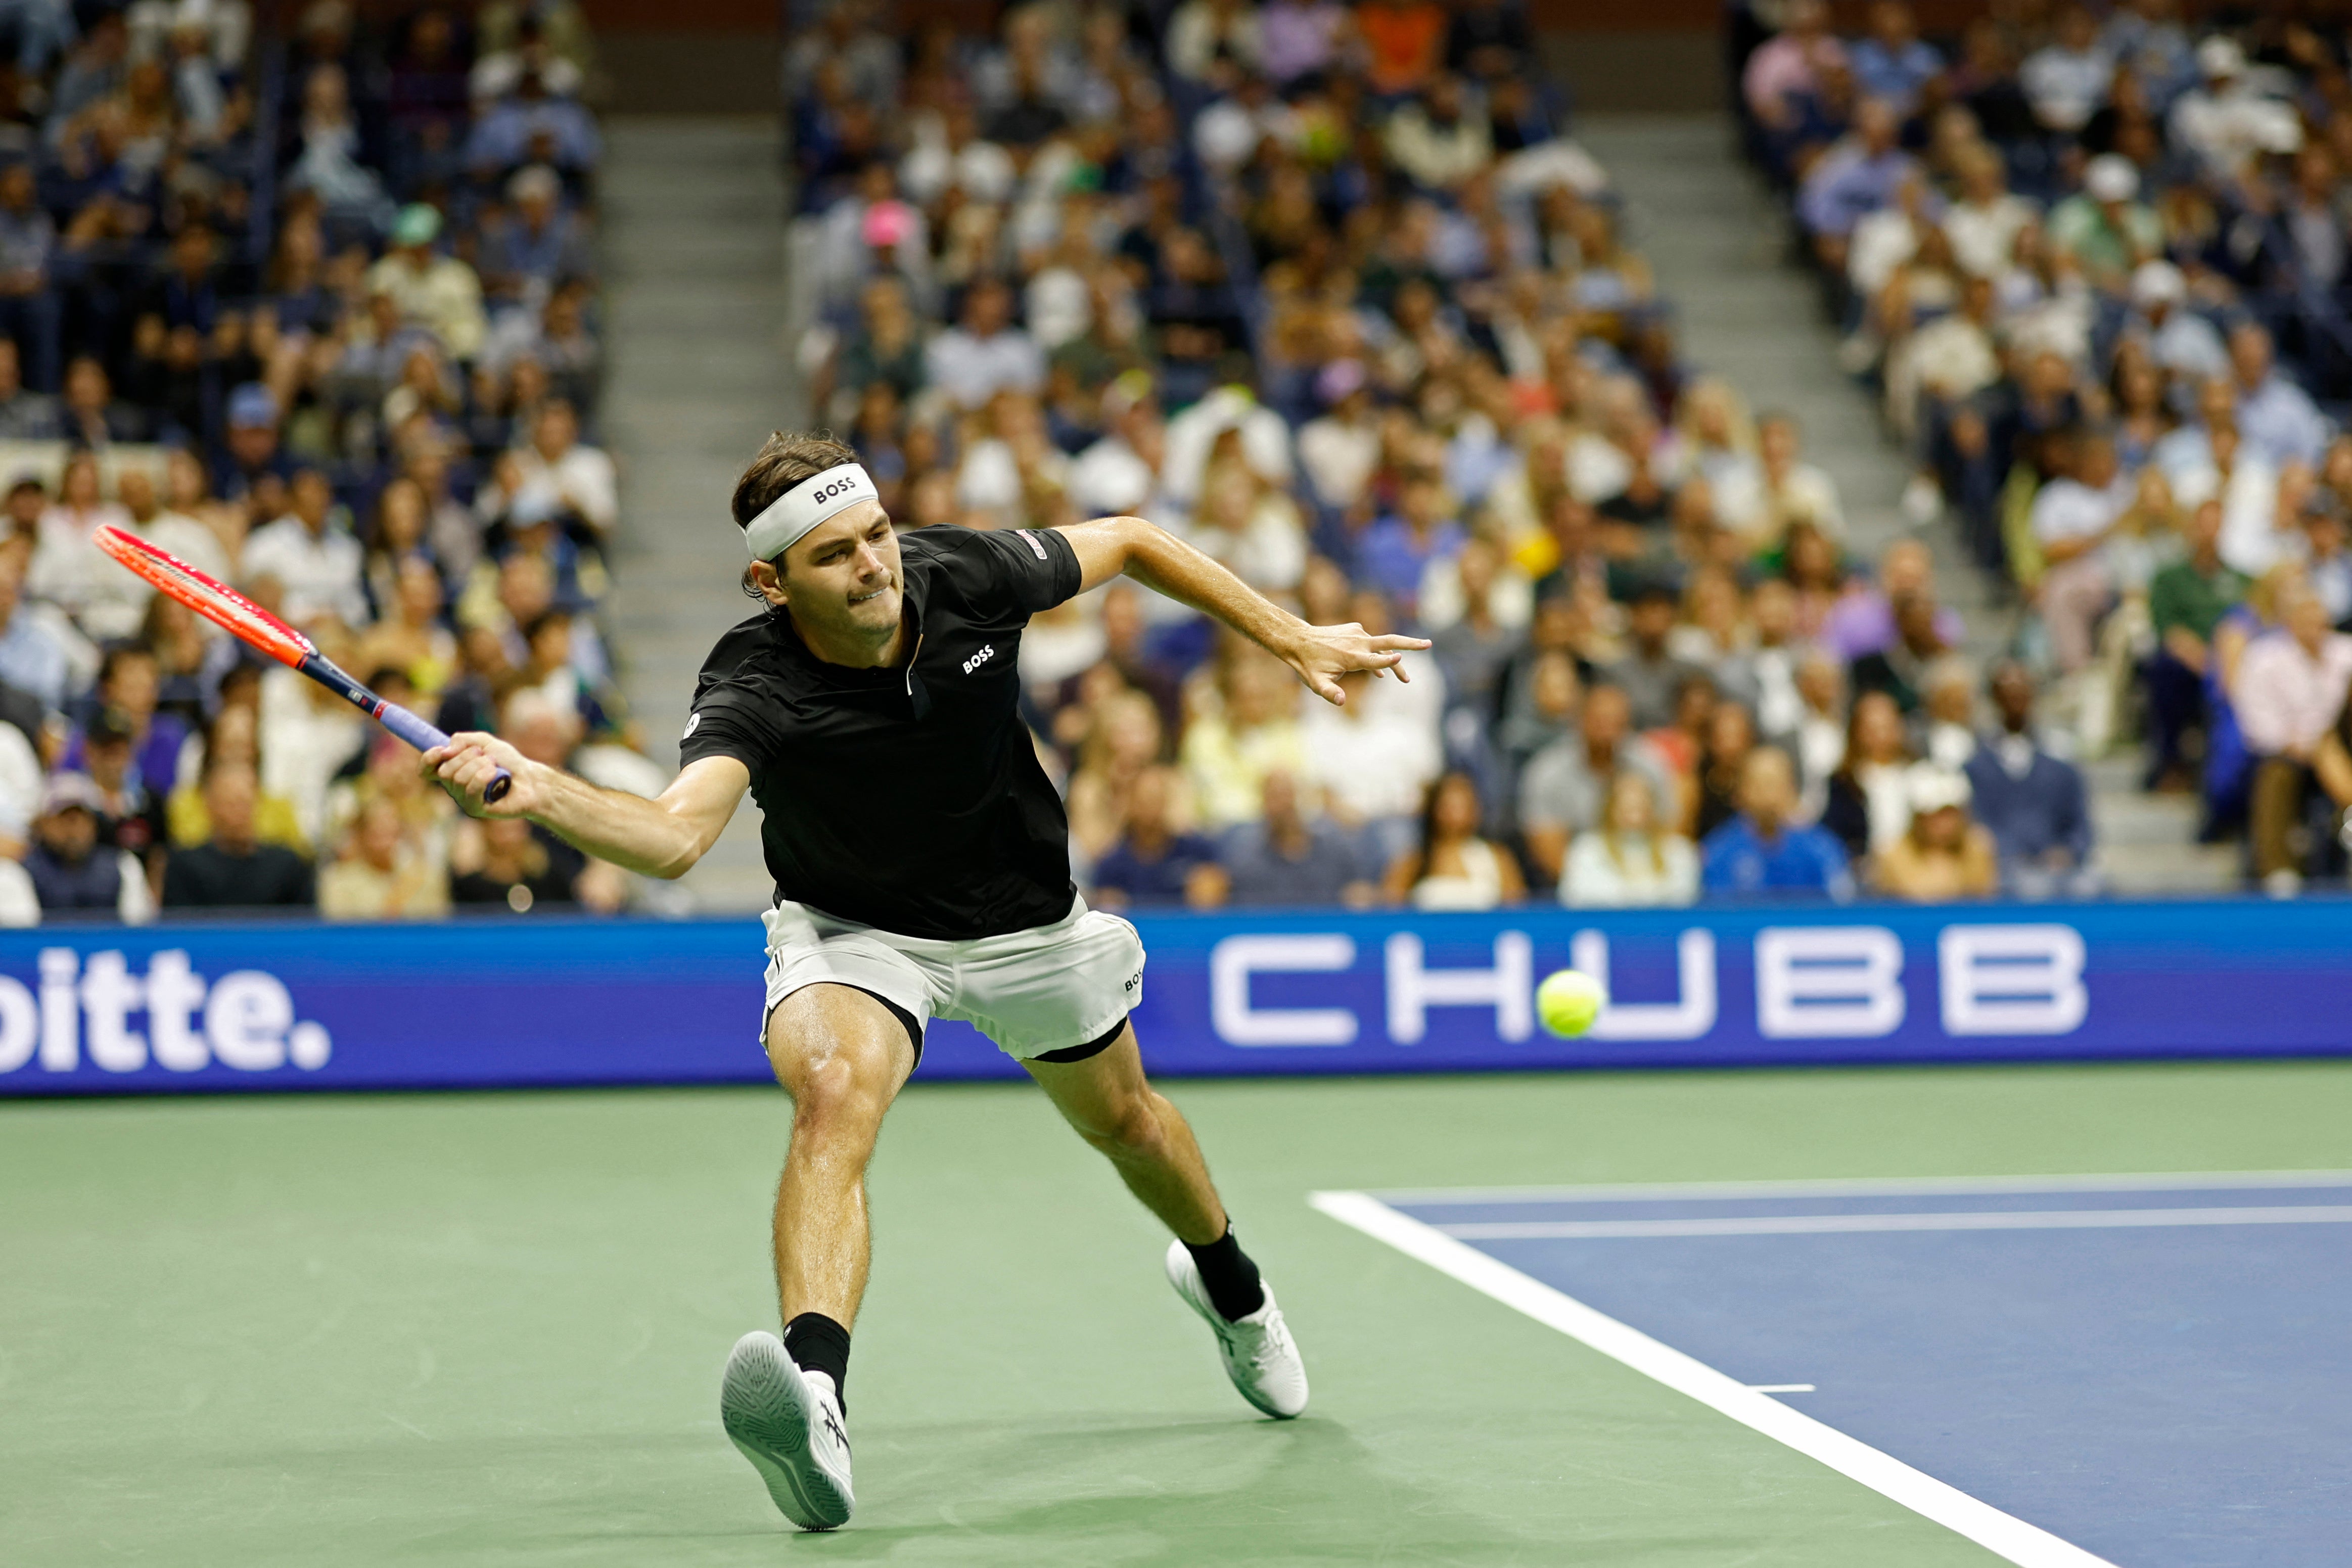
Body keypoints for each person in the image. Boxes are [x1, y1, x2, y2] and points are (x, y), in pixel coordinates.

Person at [421, 432, 1420, 1529]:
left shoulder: (965, 576)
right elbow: (672, 838)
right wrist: (540, 794)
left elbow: (1131, 539)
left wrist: (1291, 638)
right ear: (771, 582)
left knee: (1130, 1125)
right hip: (857, 933)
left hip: (1024, 923)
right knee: (835, 1094)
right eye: (834, 554)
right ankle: (816, 1406)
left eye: (876, 536)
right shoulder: (755, 680)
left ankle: (1231, 1288)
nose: (871, 565)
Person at [2234, 584, 2352, 893]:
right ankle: (2279, 872)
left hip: (2342, 748)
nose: (2316, 630)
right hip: (2288, 751)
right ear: (2289, 624)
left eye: (2321, 622)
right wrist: (2301, 746)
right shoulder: (2264, 658)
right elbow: (2256, 722)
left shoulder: (2346, 652)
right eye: (2307, 622)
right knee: (2275, 777)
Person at [1965, 661, 2098, 900]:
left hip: (2058, 866)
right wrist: (2009, 854)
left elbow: (2080, 824)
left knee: (2089, 885)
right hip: (2002, 868)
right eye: (2007, 695)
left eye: (2021, 694)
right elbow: (1976, 824)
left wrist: (2068, 851)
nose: (2015, 702)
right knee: (2027, 885)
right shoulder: (1976, 764)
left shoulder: (2061, 761)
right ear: (1995, 699)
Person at [1700, 746, 1852, 899]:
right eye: (1757, 784)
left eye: (1773, 783)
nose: (1766, 793)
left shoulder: (1821, 849)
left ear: (1790, 788)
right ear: (1741, 791)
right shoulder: (1719, 851)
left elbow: (1840, 902)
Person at [161, 762, 317, 909]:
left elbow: (304, 926)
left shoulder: (288, 866)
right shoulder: (185, 866)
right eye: (230, 804)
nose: (238, 813)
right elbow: (179, 928)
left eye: (244, 802)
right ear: (210, 807)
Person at [1222, 770, 1375, 907]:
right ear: (1263, 801)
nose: (1285, 804)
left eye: (1290, 794)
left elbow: (1359, 888)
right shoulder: (1242, 854)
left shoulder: (1334, 849)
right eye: (1276, 796)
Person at [1382, 769, 1523, 910]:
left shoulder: (1497, 857)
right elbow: (1390, 909)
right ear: (1434, 808)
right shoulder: (1414, 861)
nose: (1457, 814)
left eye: (1464, 805)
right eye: (1450, 806)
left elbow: (1516, 911)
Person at [1088, 763, 1224, 909]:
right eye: (1144, 801)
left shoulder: (1197, 852)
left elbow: (1215, 896)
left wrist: (1208, 890)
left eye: (1157, 799)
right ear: (1131, 804)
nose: (1152, 809)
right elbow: (1106, 914)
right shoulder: (1112, 865)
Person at [1561, 769, 1698, 907]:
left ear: (1653, 807)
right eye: (1626, 804)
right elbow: (1575, 896)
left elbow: (1685, 896)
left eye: (1641, 804)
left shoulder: (1678, 850)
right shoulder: (1587, 849)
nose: (1634, 814)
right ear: (1610, 807)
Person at [1871, 766, 1998, 901]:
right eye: (1935, 815)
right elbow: (1917, 894)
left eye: (1951, 814)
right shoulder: (1893, 852)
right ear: (1918, 818)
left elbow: (1984, 899)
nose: (1944, 824)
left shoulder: (1977, 847)